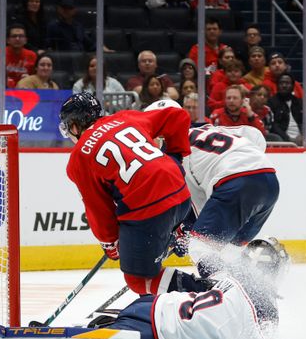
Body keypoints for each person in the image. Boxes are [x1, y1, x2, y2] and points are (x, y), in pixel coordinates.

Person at [0, 238, 293, 339]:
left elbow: (193, 272)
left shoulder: (231, 281)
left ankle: (88, 327)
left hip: (155, 315)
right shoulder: (248, 306)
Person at [58, 91, 208, 296]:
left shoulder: (78, 158)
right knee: (148, 249)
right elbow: (177, 115)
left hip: (148, 210)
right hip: (180, 194)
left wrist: (110, 243)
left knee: (138, 279)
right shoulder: (125, 117)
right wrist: (175, 158)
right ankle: (170, 246)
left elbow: (99, 209)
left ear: (74, 126)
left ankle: (208, 294)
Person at [146, 100, 280, 279]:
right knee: (228, 248)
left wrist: (185, 234)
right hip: (269, 180)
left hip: (234, 182)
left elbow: (198, 205)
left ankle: (226, 294)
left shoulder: (174, 154)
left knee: (199, 246)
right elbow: (256, 136)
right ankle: (254, 288)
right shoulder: (210, 129)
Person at [268, 73, 304, 144]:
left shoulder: (300, 102)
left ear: (293, 86)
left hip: (301, 138)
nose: (284, 85)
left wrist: (303, 135)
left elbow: (305, 122)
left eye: (287, 83)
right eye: (281, 83)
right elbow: (273, 125)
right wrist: (288, 139)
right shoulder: (271, 102)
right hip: (282, 140)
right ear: (277, 86)